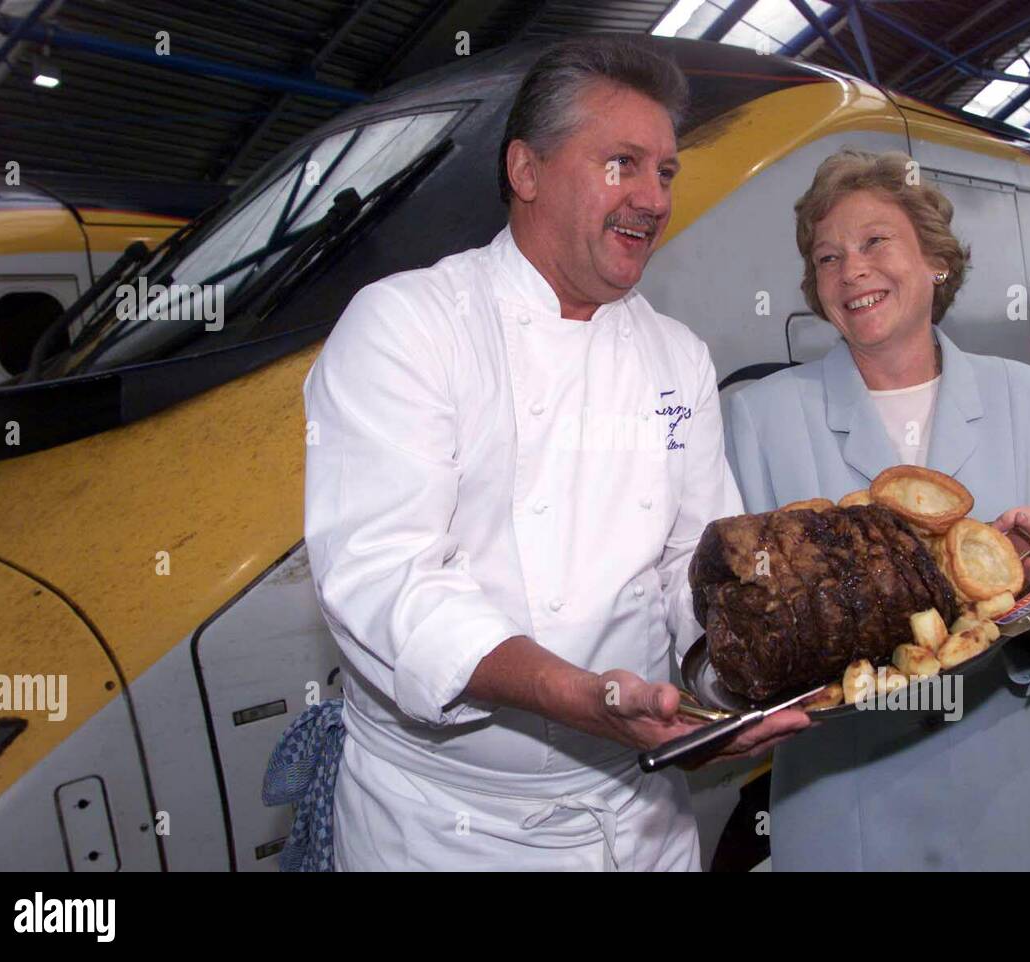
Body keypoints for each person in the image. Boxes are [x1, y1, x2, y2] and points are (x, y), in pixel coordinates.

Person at [301, 35, 807, 872]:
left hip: (639, 810)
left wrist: (726, 691)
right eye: (622, 163)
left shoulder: (676, 356)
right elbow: (385, 576)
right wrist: (579, 696)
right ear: (526, 171)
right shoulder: (409, 327)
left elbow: (696, 560)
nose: (652, 196)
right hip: (446, 833)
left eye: (667, 172)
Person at [725, 149, 1030, 871]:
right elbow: (748, 616)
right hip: (846, 810)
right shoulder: (761, 418)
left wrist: (1026, 609)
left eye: (875, 241)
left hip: (1012, 797)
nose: (852, 270)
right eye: (828, 257)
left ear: (936, 260)